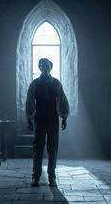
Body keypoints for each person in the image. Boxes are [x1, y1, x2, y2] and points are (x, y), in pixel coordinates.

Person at [25, 58, 69, 187]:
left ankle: (52, 177)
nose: (45, 68)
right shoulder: (34, 84)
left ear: (51, 67)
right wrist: (30, 119)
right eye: (42, 66)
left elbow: (62, 101)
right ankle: (36, 176)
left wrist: (64, 117)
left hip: (53, 119)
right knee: (37, 148)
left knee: (52, 149)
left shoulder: (56, 84)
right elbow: (30, 102)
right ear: (39, 67)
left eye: (47, 66)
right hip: (39, 119)